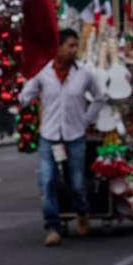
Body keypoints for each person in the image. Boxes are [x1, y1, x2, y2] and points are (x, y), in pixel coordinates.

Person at [18, 28, 104, 247]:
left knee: (75, 183)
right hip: (49, 135)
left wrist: (86, 119)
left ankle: (82, 213)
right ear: (58, 48)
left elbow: (99, 97)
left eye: (76, 46)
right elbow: (24, 96)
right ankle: (52, 226)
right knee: (47, 181)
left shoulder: (84, 72)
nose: (74, 50)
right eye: (70, 45)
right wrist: (26, 95)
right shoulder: (43, 72)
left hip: (75, 135)